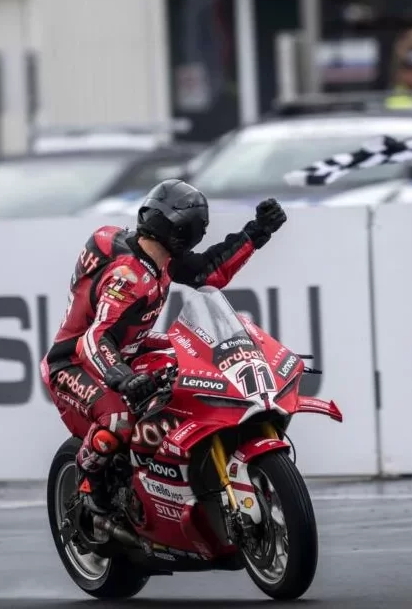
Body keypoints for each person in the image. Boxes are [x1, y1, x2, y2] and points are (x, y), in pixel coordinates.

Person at [39, 178, 287, 516]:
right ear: (185, 230)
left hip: (128, 350)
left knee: (199, 360)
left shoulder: (159, 258)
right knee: (118, 420)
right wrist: (123, 377)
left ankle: (164, 476)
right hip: (74, 361)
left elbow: (207, 272)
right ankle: (89, 486)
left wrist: (256, 233)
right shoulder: (129, 276)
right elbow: (97, 338)